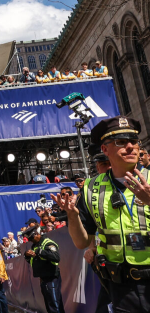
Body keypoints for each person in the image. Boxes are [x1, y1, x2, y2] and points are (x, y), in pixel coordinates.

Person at [53, 116, 150, 313]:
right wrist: (72, 216)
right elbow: (81, 242)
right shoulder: (91, 187)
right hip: (119, 286)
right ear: (105, 149)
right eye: (121, 142)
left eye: (134, 141)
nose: (130, 147)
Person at [21, 225, 64, 313]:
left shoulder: (48, 243)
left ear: (36, 234)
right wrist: (27, 255)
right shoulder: (34, 245)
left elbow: (56, 257)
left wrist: (39, 251)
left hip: (51, 277)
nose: (31, 241)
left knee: (54, 305)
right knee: (49, 305)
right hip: (43, 278)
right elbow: (33, 262)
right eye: (30, 240)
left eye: (32, 238)